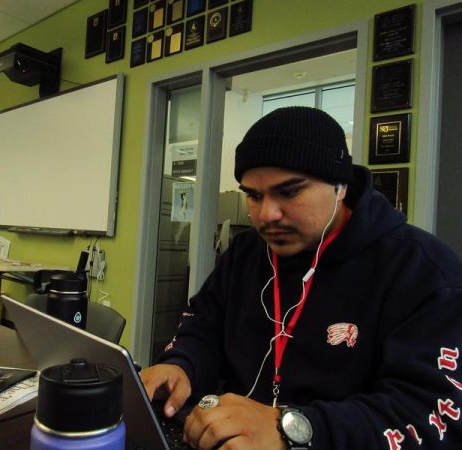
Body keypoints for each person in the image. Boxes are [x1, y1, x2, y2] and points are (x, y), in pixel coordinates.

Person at [141, 106, 462, 450]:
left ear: (340, 186)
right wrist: (181, 366)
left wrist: (293, 429)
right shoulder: (246, 252)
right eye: (253, 195)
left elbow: (432, 415)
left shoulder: (422, 270)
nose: (267, 215)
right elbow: (205, 325)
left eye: (289, 191)